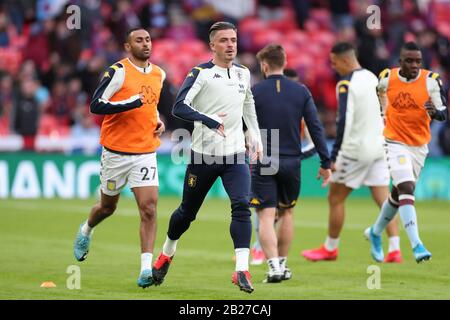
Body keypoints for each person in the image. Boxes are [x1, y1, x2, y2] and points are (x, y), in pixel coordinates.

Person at [152, 22, 263, 293]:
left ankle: (241, 269)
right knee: (186, 213)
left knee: (241, 205)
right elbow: (179, 106)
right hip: (203, 157)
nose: (230, 45)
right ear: (212, 45)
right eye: (224, 40)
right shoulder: (200, 73)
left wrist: (255, 134)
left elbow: (248, 103)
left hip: (235, 154)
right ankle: (167, 252)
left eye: (234, 40)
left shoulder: (243, 73)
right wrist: (208, 119)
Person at [73, 28, 166, 288]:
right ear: (127, 46)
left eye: (148, 39)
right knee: (107, 207)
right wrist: (129, 103)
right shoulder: (118, 72)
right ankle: (87, 229)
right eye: (139, 40)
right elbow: (96, 105)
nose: (146, 43)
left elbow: (152, 105)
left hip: (145, 152)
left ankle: (146, 269)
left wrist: (159, 121)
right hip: (115, 153)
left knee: (149, 209)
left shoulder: (159, 73)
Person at [302, 42, 403, 263]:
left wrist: (333, 157)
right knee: (384, 198)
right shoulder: (371, 77)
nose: (333, 66)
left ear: (346, 60)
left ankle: (330, 248)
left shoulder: (346, 84)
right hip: (378, 147)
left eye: (334, 62)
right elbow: (383, 110)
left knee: (335, 198)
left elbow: (344, 121)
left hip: (355, 150)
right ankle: (395, 249)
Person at [251, 44, 331, 283]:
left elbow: (242, 125)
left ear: (264, 65)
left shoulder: (254, 91)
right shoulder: (301, 91)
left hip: (265, 158)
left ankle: (273, 266)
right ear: (284, 63)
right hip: (291, 160)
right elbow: (316, 127)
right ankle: (283, 265)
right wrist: (326, 161)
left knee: (265, 215)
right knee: (287, 212)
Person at [365, 42, 447, 263]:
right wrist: (384, 114)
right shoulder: (387, 77)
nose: (414, 65)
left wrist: (434, 112)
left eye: (418, 61)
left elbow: (443, 112)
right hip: (394, 141)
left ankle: (374, 231)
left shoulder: (431, 81)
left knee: (397, 195)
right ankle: (416, 244)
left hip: (419, 146)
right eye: (409, 61)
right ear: (400, 61)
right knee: (407, 188)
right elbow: (379, 92)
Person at [249, 68, 316, 266]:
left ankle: (266, 255)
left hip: (280, 160)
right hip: (280, 160)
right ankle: (265, 251)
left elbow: (312, 140)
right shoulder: (276, 106)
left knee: (269, 211)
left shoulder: (298, 112)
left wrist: (298, 155)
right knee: (272, 210)